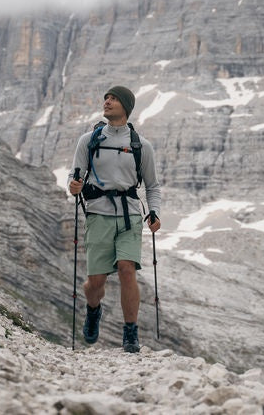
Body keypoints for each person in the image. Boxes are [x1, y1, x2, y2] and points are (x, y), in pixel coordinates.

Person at [68, 85, 162, 353]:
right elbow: (74, 177)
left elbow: (152, 186)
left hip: (130, 215)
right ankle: (93, 309)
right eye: (106, 98)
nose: (107, 102)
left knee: (126, 269)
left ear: (126, 107)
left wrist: (154, 212)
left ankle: (130, 333)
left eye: (113, 99)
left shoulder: (141, 146)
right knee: (95, 283)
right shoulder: (89, 140)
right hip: (98, 215)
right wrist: (74, 186)